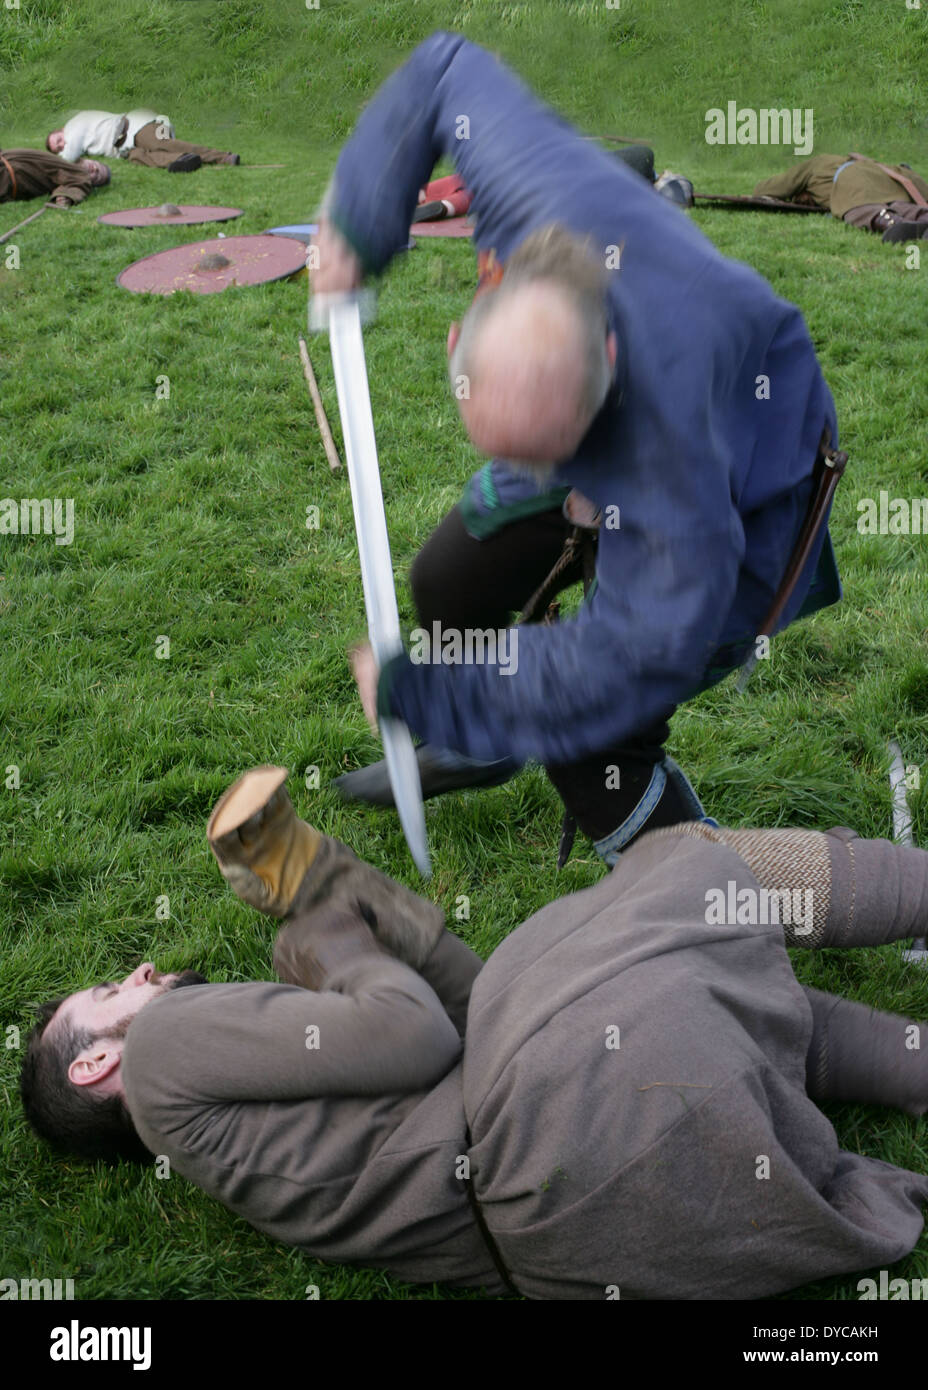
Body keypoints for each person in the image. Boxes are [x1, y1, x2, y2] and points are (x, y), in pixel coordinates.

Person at [19, 766, 928, 1299]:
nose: (140, 975)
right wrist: (322, 935)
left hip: (589, 1229)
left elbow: (473, 1007)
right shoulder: (169, 1050)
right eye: (108, 990)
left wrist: (329, 881)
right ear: (97, 1062)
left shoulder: (221, 1145)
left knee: (648, 986)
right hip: (558, 1113)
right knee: (684, 877)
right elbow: (413, 1034)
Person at [310, 33, 844, 867]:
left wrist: (431, 696)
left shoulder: (668, 466)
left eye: (555, 453)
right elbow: (445, 64)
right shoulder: (525, 183)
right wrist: (360, 213)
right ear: (464, 334)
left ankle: (710, 913)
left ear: (607, 368)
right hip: (610, 407)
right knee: (449, 576)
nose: (536, 475)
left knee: (594, 747)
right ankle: (487, 741)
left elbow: (621, 664)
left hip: (756, 471)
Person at [753, 153, 928, 242]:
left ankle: (893, 223)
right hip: (887, 175)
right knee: (895, 201)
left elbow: (768, 188)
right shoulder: (843, 161)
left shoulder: (815, 164)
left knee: (858, 209)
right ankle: (922, 219)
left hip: (852, 177)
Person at [46, 108, 239, 173]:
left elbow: (70, 156)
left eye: (59, 140)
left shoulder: (74, 124)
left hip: (142, 124)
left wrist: (54, 158)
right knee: (138, 157)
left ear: (62, 130)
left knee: (162, 143)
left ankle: (224, 157)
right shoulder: (73, 137)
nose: (62, 145)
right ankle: (183, 159)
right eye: (58, 148)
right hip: (128, 145)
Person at [0, 148, 109, 206]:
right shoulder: (63, 160)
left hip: (7, 175)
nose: (94, 169)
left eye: (97, 175)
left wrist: (66, 196)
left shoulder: (79, 174)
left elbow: (80, 183)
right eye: (97, 164)